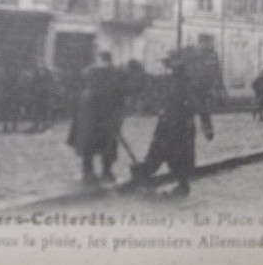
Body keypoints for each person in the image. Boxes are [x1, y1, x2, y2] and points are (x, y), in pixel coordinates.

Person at [133, 54, 214, 197]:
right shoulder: (169, 83)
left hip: (180, 127)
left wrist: (207, 127)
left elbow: (200, 107)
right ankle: (145, 180)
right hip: (167, 125)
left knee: (178, 156)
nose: (169, 71)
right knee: (158, 152)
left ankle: (181, 185)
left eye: (172, 68)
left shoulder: (187, 86)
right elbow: (153, 92)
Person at [67, 52, 126, 184]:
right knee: (107, 144)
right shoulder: (114, 76)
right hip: (104, 116)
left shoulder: (89, 77)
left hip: (90, 116)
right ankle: (105, 172)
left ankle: (89, 172)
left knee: (89, 143)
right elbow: (120, 99)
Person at [26, 60, 56, 132]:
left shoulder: (49, 72)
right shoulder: (35, 73)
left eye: (42, 63)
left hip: (46, 94)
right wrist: (32, 92)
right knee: (37, 109)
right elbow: (32, 83)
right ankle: (36, 124)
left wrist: (50, 91)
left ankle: (45, 125)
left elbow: (52, 83)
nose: (41, 65)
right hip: (38, 94)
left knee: (45, 110)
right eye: (39, 63)